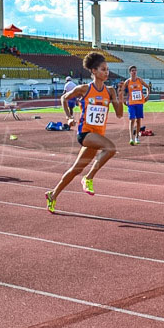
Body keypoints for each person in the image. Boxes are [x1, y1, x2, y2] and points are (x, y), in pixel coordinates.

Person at [45, 52, 123, 212]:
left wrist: (120, 96)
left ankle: (53, 194)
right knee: (111, 148)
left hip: (97, 136)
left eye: (107, 69)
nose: (106, 73)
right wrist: (68, 117)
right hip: (85, 134)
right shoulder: (84, 89)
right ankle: (88, 178)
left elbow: (120, 114)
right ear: (94, 71)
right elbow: (64, 99)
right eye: (103, 69)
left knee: (75, 169)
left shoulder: (110, 91)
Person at [120, 65, 152, 145]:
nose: (134, 72)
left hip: (139, 103)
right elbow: (122, 90)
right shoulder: (127, 82)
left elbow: (148, 87)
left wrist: (147, 96)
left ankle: (137, 137)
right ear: (130, 72)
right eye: (132, 71)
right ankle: (131, 138)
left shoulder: (139, 80)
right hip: (131, 103)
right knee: (132, 120)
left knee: (138, 120)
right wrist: (124, 99)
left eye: (135, 70)